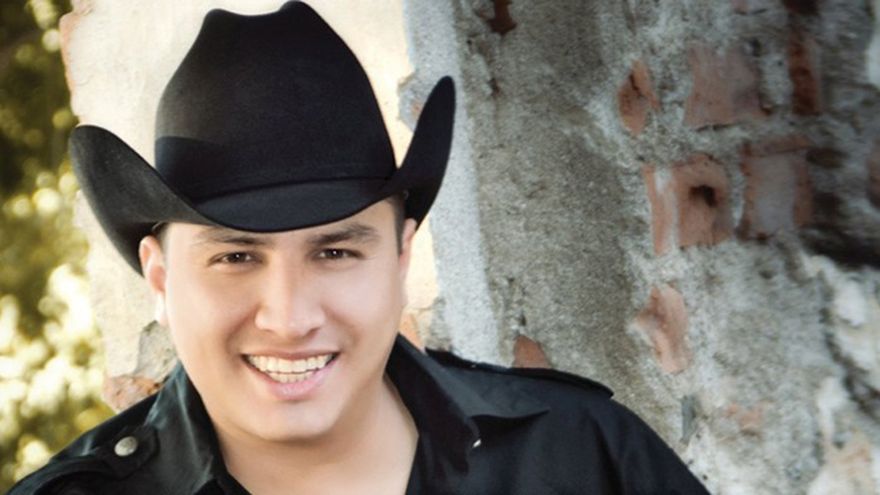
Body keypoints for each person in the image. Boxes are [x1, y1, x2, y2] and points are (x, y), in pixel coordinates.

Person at [11, 2, 710, 494]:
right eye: (236, 257)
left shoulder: (585, 455)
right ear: (160, 280)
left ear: (402, 259)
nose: (289, 318)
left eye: (335, 252)